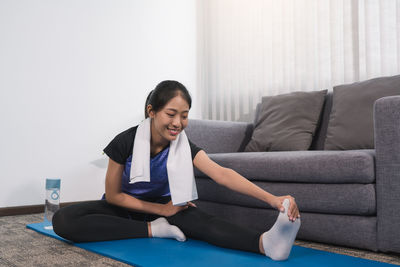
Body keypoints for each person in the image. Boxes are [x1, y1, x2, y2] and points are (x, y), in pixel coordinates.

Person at [53, 80, 301, 261]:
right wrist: (159, 212)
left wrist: (273, 198)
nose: (178, 123)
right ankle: (153, 230)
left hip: (168, 208)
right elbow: (115, 195)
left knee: (205, 223)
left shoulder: (183, 145)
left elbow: (221, 174)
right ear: (152, 111)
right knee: (63, 220)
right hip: (124, 208)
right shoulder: (124, 142)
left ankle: (266, 244)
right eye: (171, 114)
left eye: (184, 116)